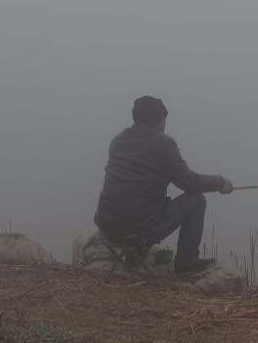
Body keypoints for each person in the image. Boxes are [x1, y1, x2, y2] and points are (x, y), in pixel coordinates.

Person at [94, 95, 233, 276]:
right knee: (197, 201)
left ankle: (134, 251)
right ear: (157, 121)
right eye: (164, 120)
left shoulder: (118, 141)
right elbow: (190, 183)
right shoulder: (164, 144)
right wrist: (220, 183)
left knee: (139, 205)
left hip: (108, 227)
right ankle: (186, 263)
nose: (165, 125)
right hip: (138, 231)